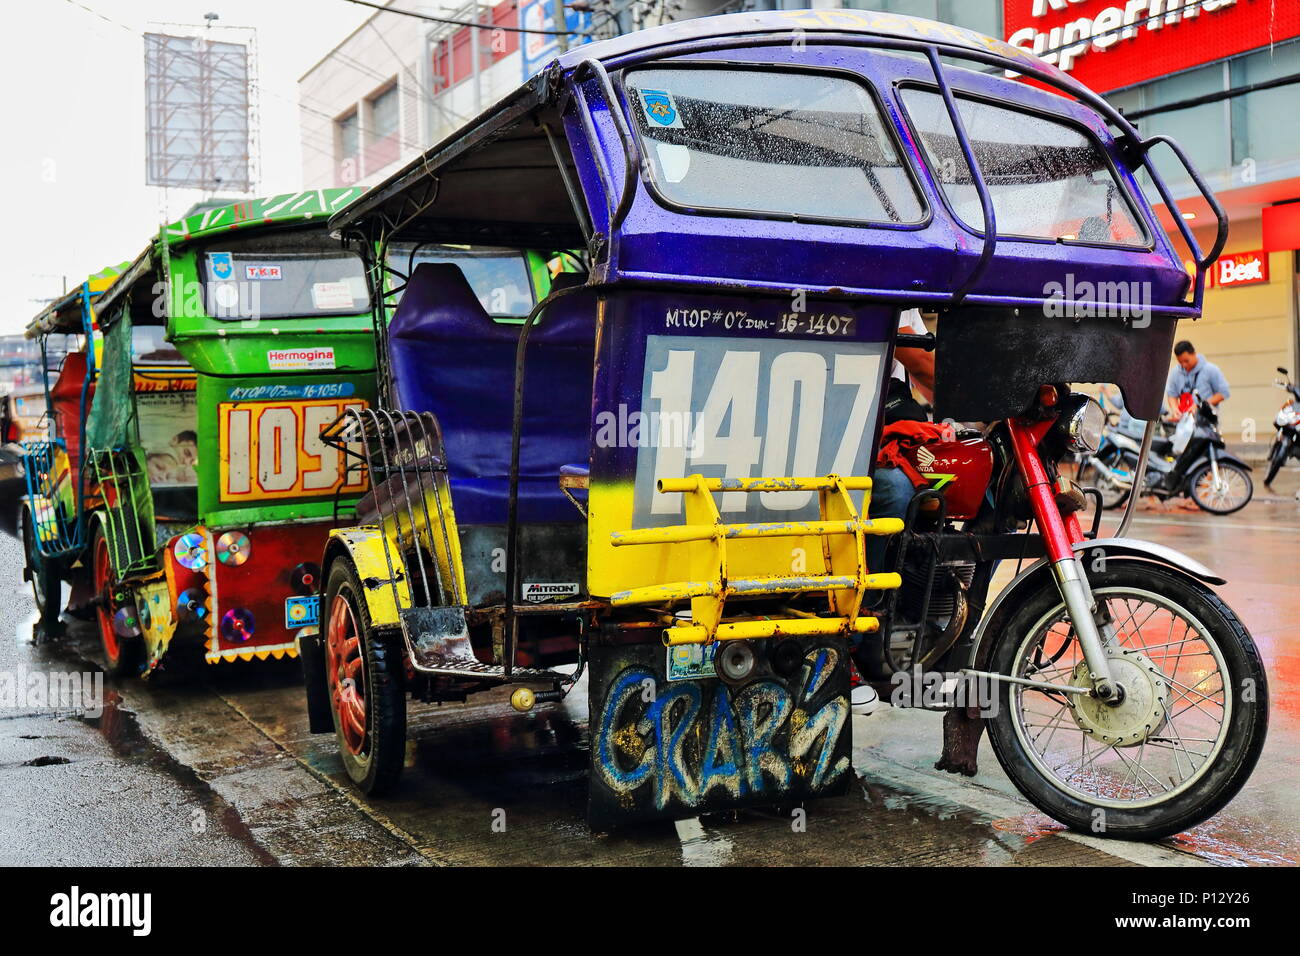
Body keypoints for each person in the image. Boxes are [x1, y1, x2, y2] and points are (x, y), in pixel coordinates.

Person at [852, 309, 936, 715]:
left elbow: (928, 375)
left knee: (980, 488)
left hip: (889, 434)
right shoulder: (892, 275)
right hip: (846, 430)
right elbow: (918, 356)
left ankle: (946, 625)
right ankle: (863, 630)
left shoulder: (912, 299)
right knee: (893, 491)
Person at [1156, 340, 1229, 494]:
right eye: (1180, 362)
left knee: (1204, 459)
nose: (1184, 365)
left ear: (1194, 354)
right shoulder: (1176, 372)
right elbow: (1172, 394)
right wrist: (1175, 409)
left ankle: (1204, 494)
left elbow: (1223, 393)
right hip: (1183, 425)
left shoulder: (1210, 370)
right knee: (1181, 458)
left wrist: (1201, 405)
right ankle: (1184, 492)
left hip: (1205, 424)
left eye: (1186, 361)